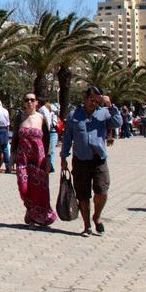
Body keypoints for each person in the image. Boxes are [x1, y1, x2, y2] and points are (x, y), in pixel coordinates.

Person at [60, 86, 122, 237]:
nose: (94, 103)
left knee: (102, 190)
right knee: (82, 195)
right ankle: (87, 225)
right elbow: (67, 137)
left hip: (99, 159)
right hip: (80, 160)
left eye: (97, 101)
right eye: (92, 100)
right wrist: (63, 157)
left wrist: (111, 106)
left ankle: (97, 216)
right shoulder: (74, 115)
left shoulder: (104, 113)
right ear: (85, 97)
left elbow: (118, 122)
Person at [9, 92, 56, 229]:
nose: (29, 102)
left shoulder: (41, 118)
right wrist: (12, 157)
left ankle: (33, 216)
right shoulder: (19, 118)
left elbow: (47, 140)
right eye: (27, 100)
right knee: (23, 187)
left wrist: (48, 159)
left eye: (32, 100)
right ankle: (30, 210)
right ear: (24, 102)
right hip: (23, 158)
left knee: (38, 190)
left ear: (36, 102)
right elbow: (15, 139)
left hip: (38, 159)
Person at [37, 98, 57, 173]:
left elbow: (47, 123)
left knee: (48, 151)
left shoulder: (43, 111)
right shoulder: (42, 110)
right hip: (46, 132)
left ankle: (49, 166)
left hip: (46, 133)